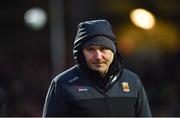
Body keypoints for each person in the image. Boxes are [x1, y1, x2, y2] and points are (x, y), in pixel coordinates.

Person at [42, 19, 151, 117]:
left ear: (113, 51)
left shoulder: (133, 81)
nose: (98, 56)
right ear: (81, 53)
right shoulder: (62, 84)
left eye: (103, 48)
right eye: (90, 49)